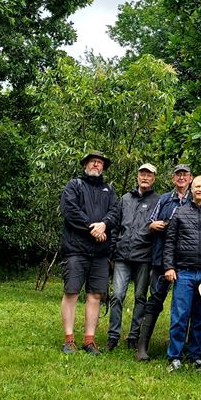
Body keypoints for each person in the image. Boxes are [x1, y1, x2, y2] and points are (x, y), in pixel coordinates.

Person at [59, 151, 119, 355]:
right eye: (93, 162)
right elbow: (70, 211)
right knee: (71, 292)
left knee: (95, 295)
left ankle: (89, 340)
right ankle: (68, 340)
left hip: (101, 253)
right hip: (76, 250)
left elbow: (115, 213)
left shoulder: (108, 189)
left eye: (100, 163)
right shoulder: (73, 185)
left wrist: (104, 224)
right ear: (85, 164)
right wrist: (92, 228)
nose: (96, 165)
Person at [163, 174, 201, 371]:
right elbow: (170, 242)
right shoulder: (180, 213)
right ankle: (174, 356)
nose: (200, 189)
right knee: (180, 316)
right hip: (184, 273)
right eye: (197, 186)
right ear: (191, 188)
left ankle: (195, 356)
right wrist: (169, 267)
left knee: (200, 317)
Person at [134, 163, 192, 361]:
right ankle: (142, 347)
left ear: (190, 178)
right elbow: (150, 222)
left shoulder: (196, 199)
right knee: (155, 300)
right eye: (178, 175)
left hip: (187, 260)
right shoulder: (165, 199)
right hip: (161, 259)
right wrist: (153, 225)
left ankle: (184, 347)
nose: (181, 178)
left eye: (185, 175)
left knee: (187, 304)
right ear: (173, 179)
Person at [106, 164, 159, 350]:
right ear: (137, 176)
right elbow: (115, 227)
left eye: (149, 175)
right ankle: (113, 335)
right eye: (142, 174)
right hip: (122, 255)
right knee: (117, 295)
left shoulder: (158, 201)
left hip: (144, 256)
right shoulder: (125, 198)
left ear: (154, 178)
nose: (145, 177)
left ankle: (134, 336)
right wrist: (111, 251)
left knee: (140, 297)